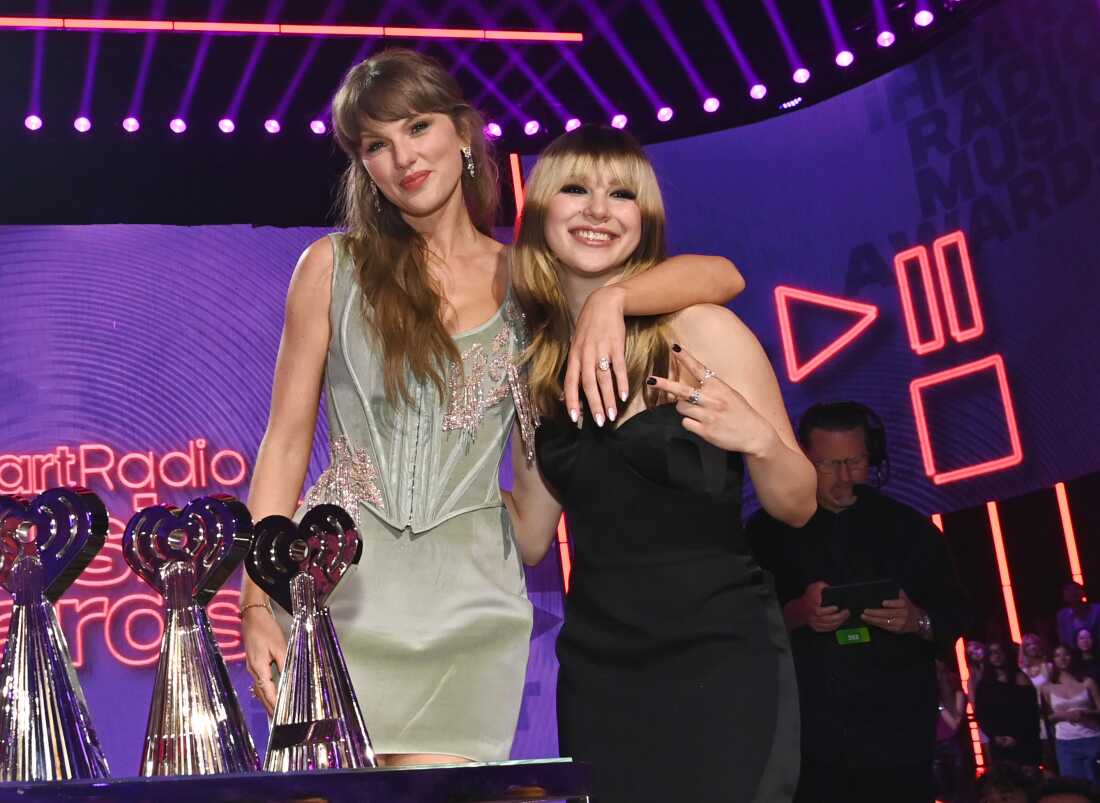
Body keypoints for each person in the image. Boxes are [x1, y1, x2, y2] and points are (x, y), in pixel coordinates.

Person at [237, 51, 745, 766]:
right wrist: (255, 602)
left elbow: (722, 275)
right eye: (376, 145)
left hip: (469, 607)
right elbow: (285, 444)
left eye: (418, 127)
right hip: (335, 590)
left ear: (464, 134)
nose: (403, 157)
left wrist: (612, 298)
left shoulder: (531, 280)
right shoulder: (331, 266)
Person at [505, 124, 817, 802]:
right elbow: (531, 533)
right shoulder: (535, 367)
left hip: (722, 657)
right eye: (575, 189)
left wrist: (758, 439)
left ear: (641, 220)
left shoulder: (701, 329)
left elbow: (798, 502)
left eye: (621, 194)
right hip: (600, 673)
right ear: (538, 213)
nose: (597, 208)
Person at [746, 400, 968, 803]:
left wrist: (916, 621)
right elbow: (738, 627)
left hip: (899, 743)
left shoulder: (910, 529)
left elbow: (955, 613)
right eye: (828, 465)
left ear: (874, 456)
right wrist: (796, 614)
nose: (843, 478)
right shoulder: (765, 534)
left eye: (855, 462)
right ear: (803, 458)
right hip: (807, 747)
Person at [976, 641, 1043, 770]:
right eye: (992, 653)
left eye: (999, 652)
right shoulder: (984, 685)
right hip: (998, 743)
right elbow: (981, 714)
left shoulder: (1020, 678)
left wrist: (1016, 737)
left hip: (1024, 741)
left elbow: (1030, 713)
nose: (996, 656)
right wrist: (994, 736)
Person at [1041, 645, 1100, 781]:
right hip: (1066, 743)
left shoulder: (1087, 682)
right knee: (1075, 787)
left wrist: (1084, 713)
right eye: (1057, 655)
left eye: (1066, 654)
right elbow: (1048, 716)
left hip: (1092, 738)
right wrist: (1063, 715)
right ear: (1053, 660)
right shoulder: (1047, 688)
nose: (1062, 658)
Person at [935, 664, 971, 802]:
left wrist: (939, 706)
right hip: (934, 746)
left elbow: (954, 725)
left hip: (952, 745)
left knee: (958, 789)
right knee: (942, 792)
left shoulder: (957, 693)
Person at [1058, 582, 1100, 649]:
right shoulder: (1062, 615)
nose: (1073, 592)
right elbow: (1064, 640)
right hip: (1075, 655)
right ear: (1064, 597)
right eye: (1068, 590)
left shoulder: (1097, 610)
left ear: (1082, 593)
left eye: (1076, 589)